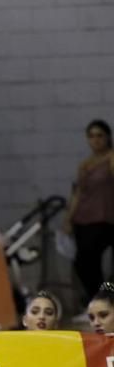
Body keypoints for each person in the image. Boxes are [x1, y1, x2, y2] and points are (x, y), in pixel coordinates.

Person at [63, 120, 114, 305]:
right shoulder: (85, 164)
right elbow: (78, 193)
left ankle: (104, 302)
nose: (96, 140)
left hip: (104, 219)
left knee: (93, 260)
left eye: (99, 135)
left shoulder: (111, 158)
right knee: (82, 263)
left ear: (107, 137)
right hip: (83, 218)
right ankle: (97, 301)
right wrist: (68, 219)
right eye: (91, 136)